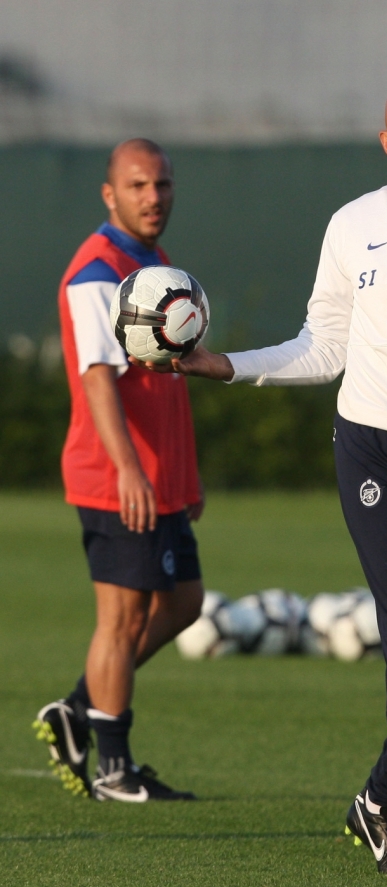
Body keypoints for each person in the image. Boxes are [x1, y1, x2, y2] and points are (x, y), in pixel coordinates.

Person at [137, 77, 387, 878]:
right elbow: (323, 345)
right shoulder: (354, 223)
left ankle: (379, 797)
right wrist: (227, 365)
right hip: (375, 451)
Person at [34, 139, 204, 803]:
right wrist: (131, 470)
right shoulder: (97, 271)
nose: (153, 197)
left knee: (183, 602)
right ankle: (112, 769)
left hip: (161, 477)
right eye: (137, 185)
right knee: (123, 618)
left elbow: (158, 383)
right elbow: (99, 380)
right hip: (116, 476)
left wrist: (182, 476)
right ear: (109, 194)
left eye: (162, 183)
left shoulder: (152, 260)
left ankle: (77, 708)